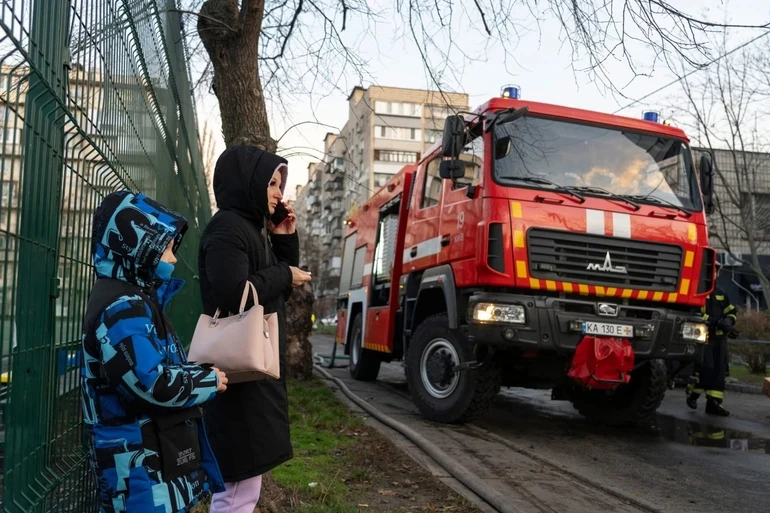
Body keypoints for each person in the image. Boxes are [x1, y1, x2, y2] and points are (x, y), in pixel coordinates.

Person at [81, 191, 228, 512]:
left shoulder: (128, 299)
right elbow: (148, 382)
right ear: (136, 246)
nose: (174, 259)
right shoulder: (123, 308)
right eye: (166, 248)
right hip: (138, 469)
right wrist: (206, 381)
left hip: (142, 460)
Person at [199, 146, 312, 512]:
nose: (280, 193)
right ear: (248, 182)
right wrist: (284, 273)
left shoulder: (250, 229)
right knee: (235, 488)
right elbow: (235, 296)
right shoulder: (227, 228)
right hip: (238, 376)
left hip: (253, 371)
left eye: (281, 184)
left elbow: (277, 293)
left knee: (245, 485)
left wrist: (284, 239)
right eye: (273, 183)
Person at [686, 264, 738, 416]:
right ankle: (693, 394)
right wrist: (716, 321)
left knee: (719, 371)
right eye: (710, 270)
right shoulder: (698, 291)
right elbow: (694, 313)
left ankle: (714, 403)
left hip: (719, 337)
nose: (713, 273)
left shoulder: (721, 292)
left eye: (715, 271)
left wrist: (729, 321)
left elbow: (731, 310)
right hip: (701, 335)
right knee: (706, 368)